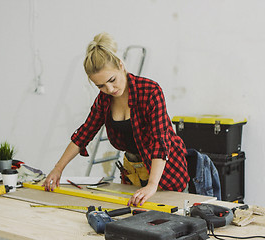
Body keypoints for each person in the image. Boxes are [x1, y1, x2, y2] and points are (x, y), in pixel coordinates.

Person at [43, 32, 190, 206]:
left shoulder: (150, 91)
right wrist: (58, 169)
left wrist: (152, 185)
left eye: (112, 80)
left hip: (165, 171)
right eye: (101, 86)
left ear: (121, 65)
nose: (110, 89)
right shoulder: (104, 99)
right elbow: (84, 134)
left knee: (170, 222)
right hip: (133, 171)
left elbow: (160, 142)